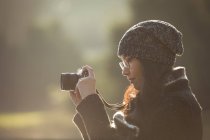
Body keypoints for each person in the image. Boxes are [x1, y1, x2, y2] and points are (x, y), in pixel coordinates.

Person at [69, 20, 203, 140]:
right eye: (122, 63)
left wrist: (90, 104)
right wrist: (84, 106)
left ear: (150, 60)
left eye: (129, 61)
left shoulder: (175, 108)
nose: (124, 71)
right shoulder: (156, 100)